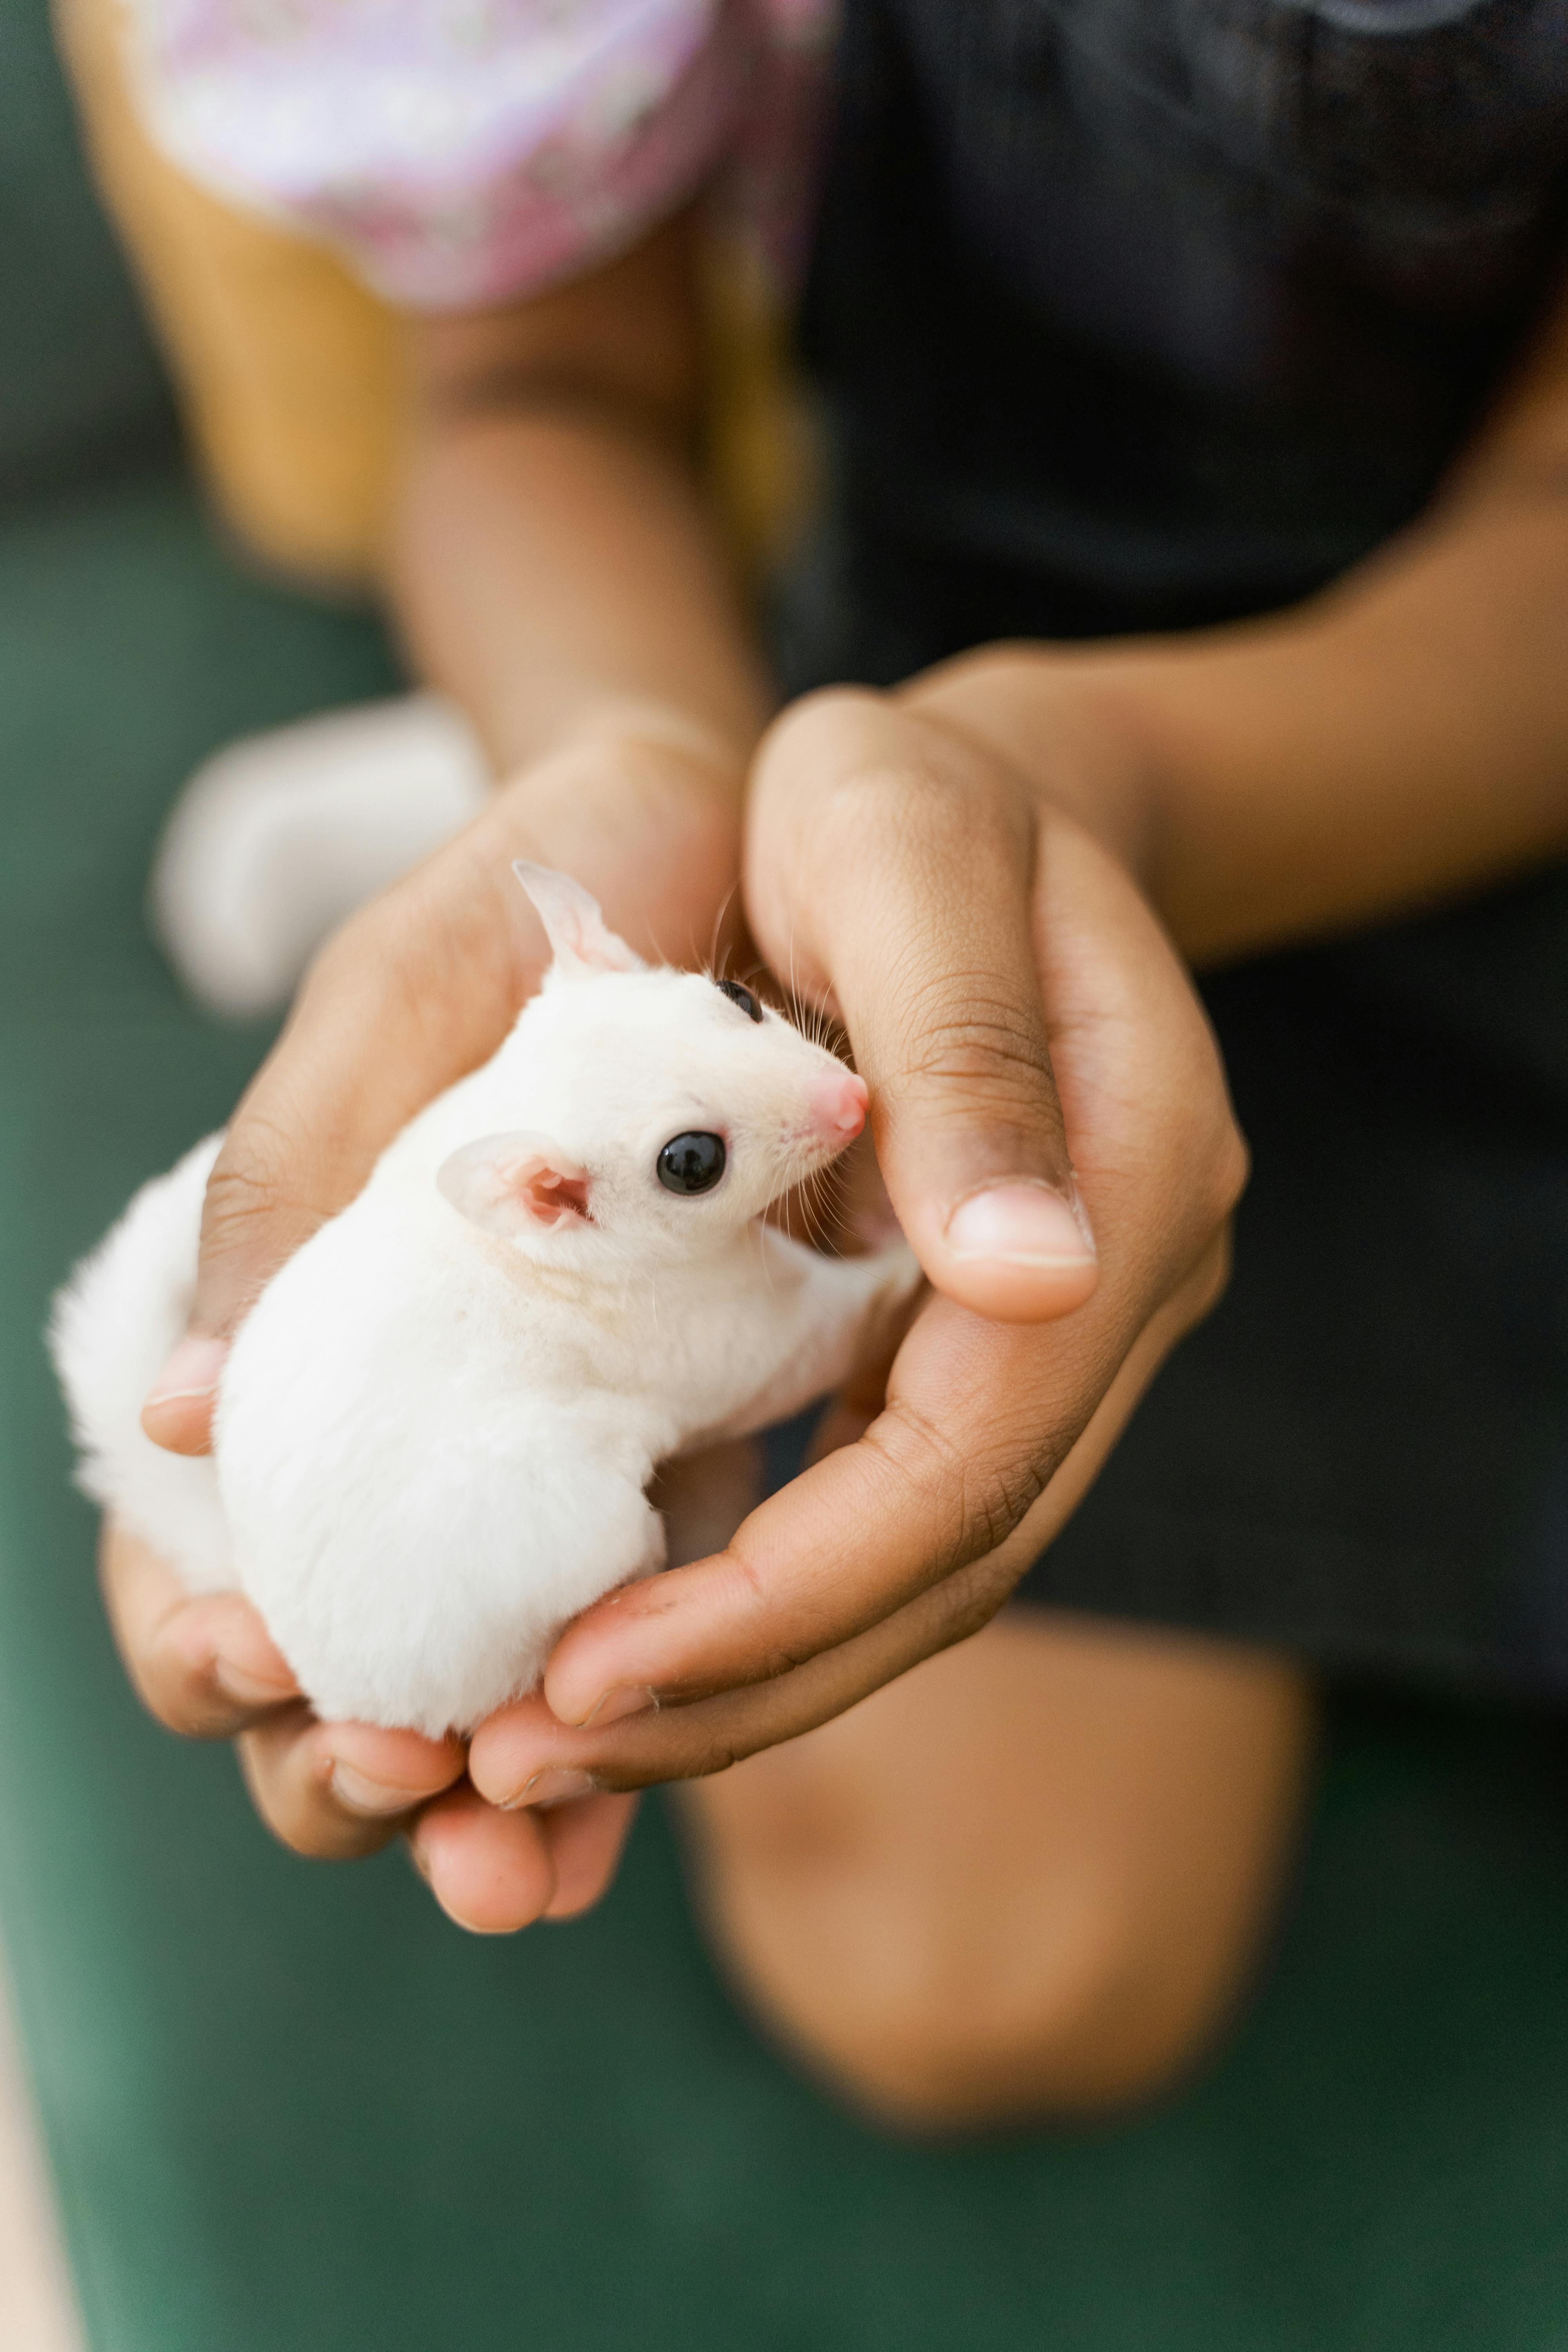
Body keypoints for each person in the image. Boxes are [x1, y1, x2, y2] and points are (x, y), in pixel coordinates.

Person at [69, 0, 1568, 2130]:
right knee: (978, 1969)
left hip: (1409, 730)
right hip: (895, 735)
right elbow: (534, 384)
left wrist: (1108, 780)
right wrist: (636, 749)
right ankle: (523, 761)